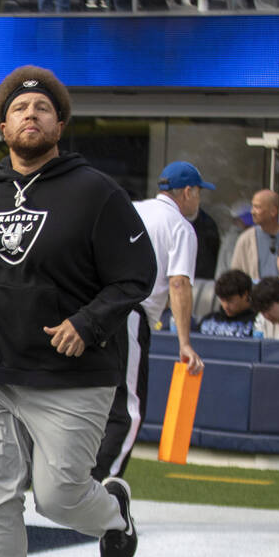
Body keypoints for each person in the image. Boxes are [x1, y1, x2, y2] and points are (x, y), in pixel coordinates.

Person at [0, 65, 152, 557]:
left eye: (42, 108)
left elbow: (135, 277)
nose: (30, 115)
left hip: (73, 373)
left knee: (57, 497)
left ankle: (114, 513)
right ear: (2, 125)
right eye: (19, 109)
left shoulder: (96, 191)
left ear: (60, 124)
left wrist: (87, 323)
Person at [93, 159, 206, 482]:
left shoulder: (131, 210)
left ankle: (68, 482)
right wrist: (184, 342)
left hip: (95, 309)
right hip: (130, 313)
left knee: (92, 401)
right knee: (127, 411)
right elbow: (179, 283)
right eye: (198, 193)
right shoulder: (180, 226)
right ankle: (97, 488)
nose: (198, 201)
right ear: (187, 192)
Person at [231, 189, 279, 282]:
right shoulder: (246, 239)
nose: (252, 211)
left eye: (257, 207)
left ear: (273, 211)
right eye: (252, 207)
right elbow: (235, 277)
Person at [198, 269, 260, 338]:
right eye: (222, 300)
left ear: (245, 295)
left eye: (230, 300)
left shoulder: (258, 323)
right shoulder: (208, 320)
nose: (225, 306)